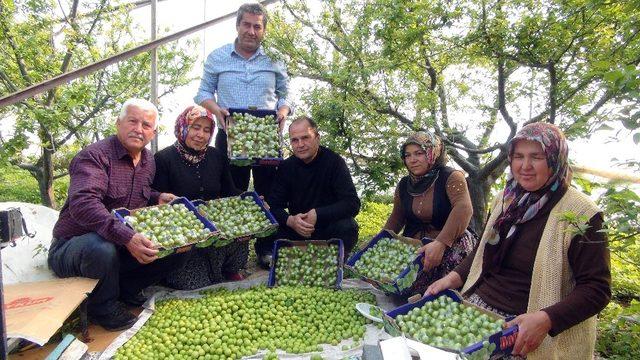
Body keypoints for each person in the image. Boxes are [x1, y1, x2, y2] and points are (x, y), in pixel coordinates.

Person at [426, 123, 611, 359]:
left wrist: (546, 319)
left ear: (555, 158)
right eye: (518, 157)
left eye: (537, 157)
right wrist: (452, 278)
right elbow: (482, 250)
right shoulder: (507, 199)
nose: (525, 166)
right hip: (477, 310)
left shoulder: (581, 214)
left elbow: (597, 289)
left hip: (525, 328)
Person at [49, 99, 187, 331]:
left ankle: (125, 289)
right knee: (100, 246)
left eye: (146, 125)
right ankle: (101, 307)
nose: (138, 129)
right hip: (75, 247)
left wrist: (156, 197)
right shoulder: (94, 157)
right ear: (118, 123)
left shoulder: (148, 160)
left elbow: (136, 194)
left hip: (117, 245)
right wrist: (126, 237)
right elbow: (83, 203)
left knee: (179, 248)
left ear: (152, 133)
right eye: (132, 121)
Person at [194, 2, 292, 198]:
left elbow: (286, 93)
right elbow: (203, 92)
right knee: (229, 192)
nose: (251, 31)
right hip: (230, 133)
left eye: (257, 26)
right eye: (246, 25)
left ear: (264, 30)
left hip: (266, 136)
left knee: (271, 192)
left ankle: (272, 227)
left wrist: (283, 112)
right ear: (237, 26)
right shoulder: (218, 57)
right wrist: (216, 110)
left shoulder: (275, 58)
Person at [153, 105, 247, 290]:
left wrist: (252, 201)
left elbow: (229, 191)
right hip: (184, 235)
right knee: (195, 283)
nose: (201, 135)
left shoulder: (216, 156)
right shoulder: (164, 159)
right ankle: (171, 272)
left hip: (216, 230)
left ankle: (228, 268)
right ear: (183, 127)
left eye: (206, 130)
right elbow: (158, 205)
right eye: (195, 127)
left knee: (241, 229)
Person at [256, 116, 361, 268]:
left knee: (348, 226)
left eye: (305, 138)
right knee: (266, 228)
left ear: (317, 138)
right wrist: (290, 220)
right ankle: (270, 257)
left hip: (327, 228)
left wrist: (317, 214)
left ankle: (332, 259)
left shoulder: (334, 162)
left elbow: (352, 204)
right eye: (294, 140)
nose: (300, 145)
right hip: (296, 230)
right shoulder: (286, 167)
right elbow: (274, 205)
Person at [383, 132, 477, 295]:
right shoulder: (405, 184)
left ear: (432, 153)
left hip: (450, 241)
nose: (412, 160)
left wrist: (440, 243)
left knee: (437, 293)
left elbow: (464, 208)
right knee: (399, 286)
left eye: (419, 153)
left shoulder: (451, 177)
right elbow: (397, 217)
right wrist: (380, 240)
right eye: (407, 155)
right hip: (417, 243)